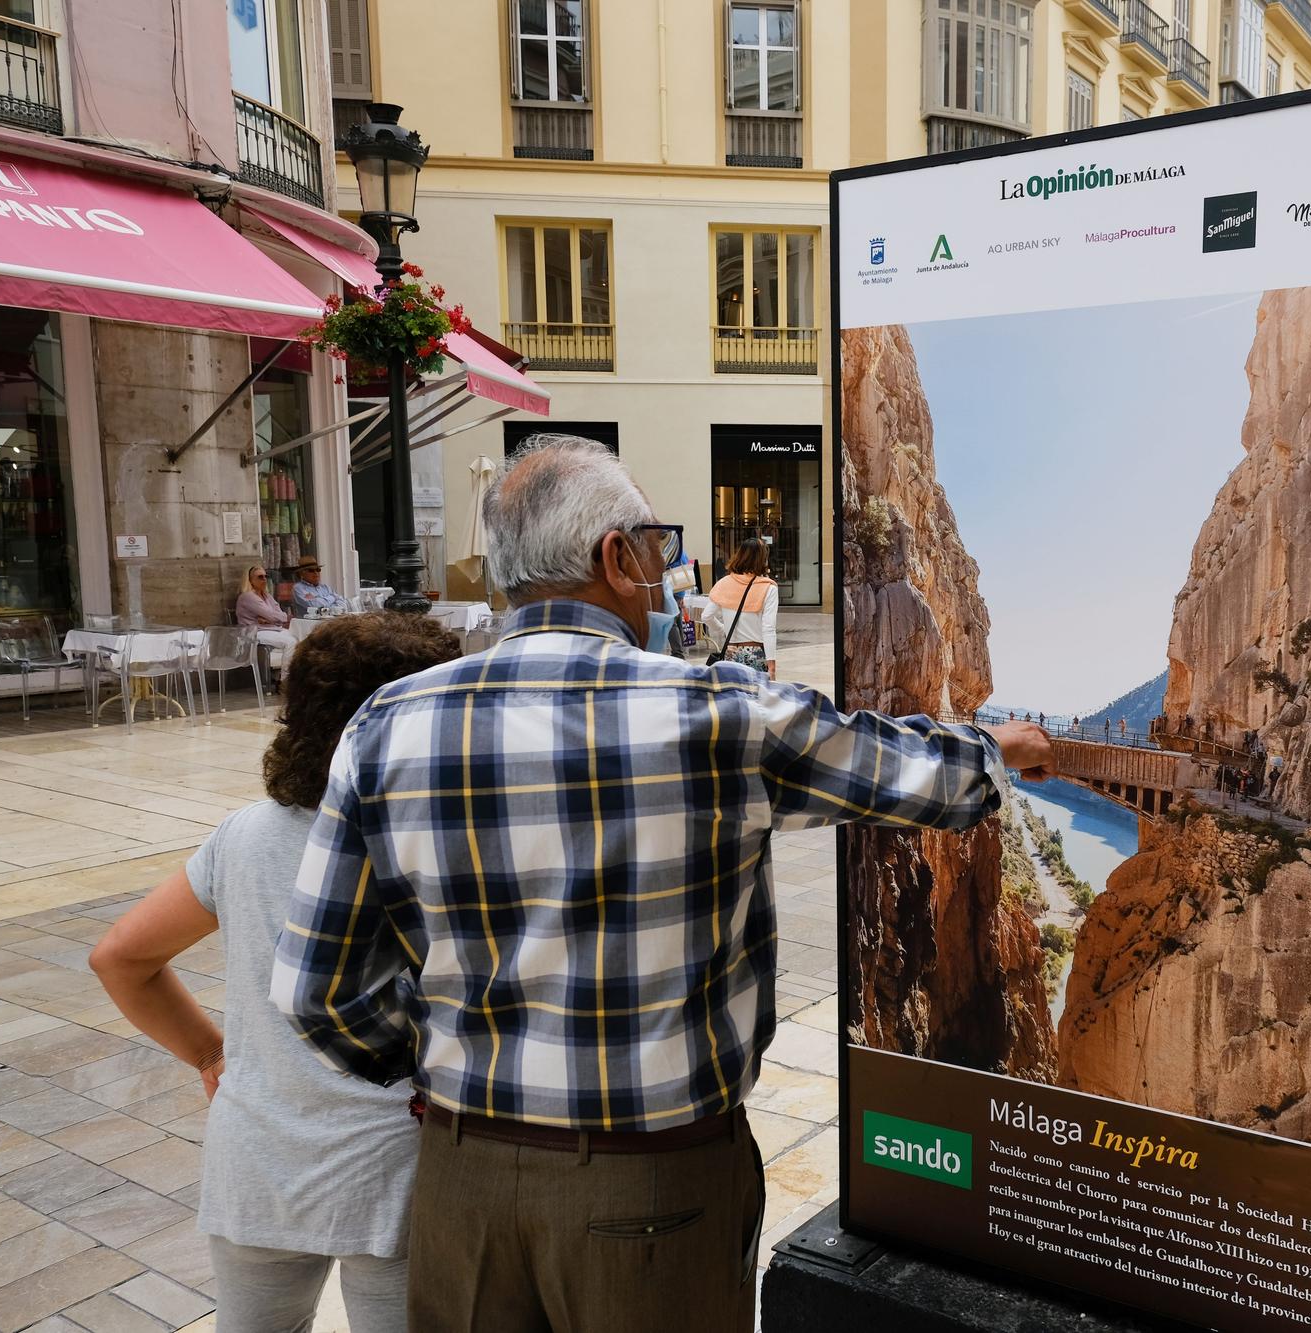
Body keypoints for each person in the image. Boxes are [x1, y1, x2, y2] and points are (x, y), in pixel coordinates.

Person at [270, 436, 1055, 1333]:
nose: (665, 566)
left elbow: (313, 989)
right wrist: (1000, 752)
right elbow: (909, 773)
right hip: (656, 1184)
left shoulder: (388, 723)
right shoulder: (713, 713)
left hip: (463, 1178)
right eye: (658, 544)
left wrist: (434, 1061)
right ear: (615, 557)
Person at [90, 614, 463, 1333]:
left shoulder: (246, 834)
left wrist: (209, 1052)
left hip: (255, 1157)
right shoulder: (436, 840)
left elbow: (121, 957)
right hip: (393, 1164)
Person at [692, 537, 779, 677]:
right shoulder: (768, 588)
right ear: (763, 559)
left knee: (732, 696)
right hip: (755, 653)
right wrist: (771, 665)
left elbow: (706, 616)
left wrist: (724, 631)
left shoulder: (724, 583)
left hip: (730, 651)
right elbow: (768, 628)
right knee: (755, 697)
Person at [235, 564, 297, 654]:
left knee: (300, 638)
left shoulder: (266, 595)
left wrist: (272, 619)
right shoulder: (248, 597)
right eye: (260, 577)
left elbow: (277, 614)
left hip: (271, 629)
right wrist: (281, 618)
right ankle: (287, 668)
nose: (264, 579)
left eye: (265, 576)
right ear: (250, 580)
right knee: (291, 642)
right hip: (255, 632)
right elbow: (272, 616)